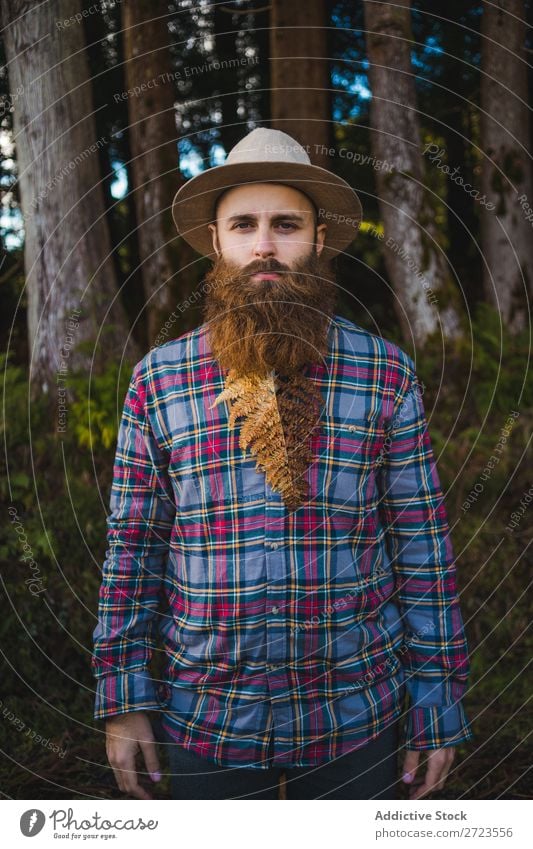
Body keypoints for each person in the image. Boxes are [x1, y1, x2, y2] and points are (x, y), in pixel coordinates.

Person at [91, 127, 474, 800]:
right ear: (216, 242)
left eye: (285, 224)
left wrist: (436, 696)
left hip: (357, 716)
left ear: (318, 239)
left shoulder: (384, 373)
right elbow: (134, 544)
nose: (264, 244)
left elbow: (421, 547)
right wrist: (123, 696)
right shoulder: (159, 380)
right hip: (204, 718)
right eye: (244, 224)